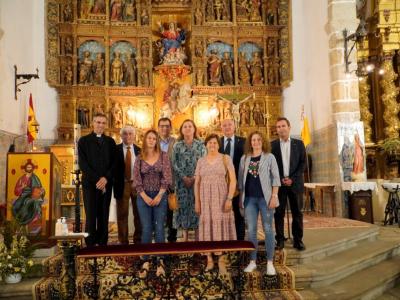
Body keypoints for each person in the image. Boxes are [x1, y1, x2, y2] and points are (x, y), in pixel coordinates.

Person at [238, 131, 280, 274]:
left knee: (268, 230)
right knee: (251, 232)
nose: (255, 142)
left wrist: (274, 196)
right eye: (253, 140)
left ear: (263, 142)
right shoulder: (244, 159)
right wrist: (241, 199)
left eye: (258, 140)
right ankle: (252, 261)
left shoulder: (269, 157)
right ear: (250, 142)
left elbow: (276, 179)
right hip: (249, 199)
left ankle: (269, 262)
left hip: (265, 199)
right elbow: (240, 182)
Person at [195, 134, 236, 274]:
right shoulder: (200, 161)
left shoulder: (225, 158)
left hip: (221, 197)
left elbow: (233, 180)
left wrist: (229, 198)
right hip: (205, 199)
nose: (212, 145)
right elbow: (197, 183)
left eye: (215, 143)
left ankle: (221, 260)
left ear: (219, 145)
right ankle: (209, 259)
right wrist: (197, 201)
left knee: (220, 225)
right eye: (210, 143)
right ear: (205, 145)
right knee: (207, 224)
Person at [78, 113, 116, 246]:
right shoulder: (83, 141)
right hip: (90, 184)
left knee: (103, 214)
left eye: (103, 123)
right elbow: (83, 164)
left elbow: (114, 163)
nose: (100, 125)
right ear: (92, 123)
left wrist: (105, 179)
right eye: (98, 122)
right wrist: (98, 180)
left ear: (106, 125)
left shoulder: (111, 142)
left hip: (106, 185)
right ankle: (90, 243)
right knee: (91, 215)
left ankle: (102, 242)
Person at [271, 117, 306, 251]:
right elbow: (271, 166)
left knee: (297, 213)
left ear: (289, 127)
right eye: (278, 127)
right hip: (279, 185)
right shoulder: (273, 145)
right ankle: (280, 240)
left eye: (283, 126)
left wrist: (292, 178)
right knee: (279, 213)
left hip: (295, 183)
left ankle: (298, 240)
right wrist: (280, 178)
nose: (281, 129)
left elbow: (303, 163)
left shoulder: (299, 143)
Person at [133, 130, 172, 245]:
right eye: (149, 138)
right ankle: (146, 258)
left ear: (157, 141)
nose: (151, 140)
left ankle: (160, 256)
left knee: (159, 226)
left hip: (160, 195)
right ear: (145, 139)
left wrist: (159, 195)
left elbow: (167, 176)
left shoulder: (163, 156)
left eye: (154, 139)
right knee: (146, 227)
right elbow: (136, 178)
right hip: (143, 196)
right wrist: (144, 197)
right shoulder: (139, 157)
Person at [172, 120, 206, 241]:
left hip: (197, 183)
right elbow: (174, 163)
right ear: (181, 130)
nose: (187, 128)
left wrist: (195, 178)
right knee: (183, 208)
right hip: (181, 183)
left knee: (196, 208)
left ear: (194, 129)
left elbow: (204, 162)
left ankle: (197, 239)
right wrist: (184, 177)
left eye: (190, 126)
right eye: (185, 126)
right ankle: (185, 239)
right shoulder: (177, 145)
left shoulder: (201, 145)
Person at [113, 126, 141, 245]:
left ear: (134, 135)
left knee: (139, 214)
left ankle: (138, 240)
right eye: (125, 134)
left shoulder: (140, 150)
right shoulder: (115, 149)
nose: (128, 136)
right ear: (121, 136)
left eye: (130, 134)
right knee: (122, 214)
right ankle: (123, 241)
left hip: (136, 185)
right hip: (122, 184)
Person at [219, 119, 246, 240]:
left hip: (238, 182)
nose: (227, 127)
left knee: (238, 212)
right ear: (221, 128)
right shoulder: (216, 142)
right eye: (224, 125)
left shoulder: (244, 142)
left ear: (234, 126)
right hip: (221, 183)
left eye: (230, 124)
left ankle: (239, 241)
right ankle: (224, 239)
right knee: (222, 211)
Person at [158, 118, 177, 242]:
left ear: (170, 128)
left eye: (167, 126)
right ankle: (159, 242)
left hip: (172, 183)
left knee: (172, 213)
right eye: (162, 126)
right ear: (158, 127)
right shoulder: (153, 142)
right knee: (159, 214)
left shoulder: (176, 142)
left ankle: (172, 240)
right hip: (156, 184)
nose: (165, 128)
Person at [12, 161, 45, 227]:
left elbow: (41, 189)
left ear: (32, 168)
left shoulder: (36, 178)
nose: (29, 168)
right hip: (23, 196)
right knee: (16, 206)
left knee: (31, 202)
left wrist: (41, 192)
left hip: (33, 196)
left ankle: (30, 222)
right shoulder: (22, 179)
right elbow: (16, 191)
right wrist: (22, 187)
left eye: (30, 167)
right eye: (28, 167)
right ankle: (21, 221)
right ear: (25, 168)